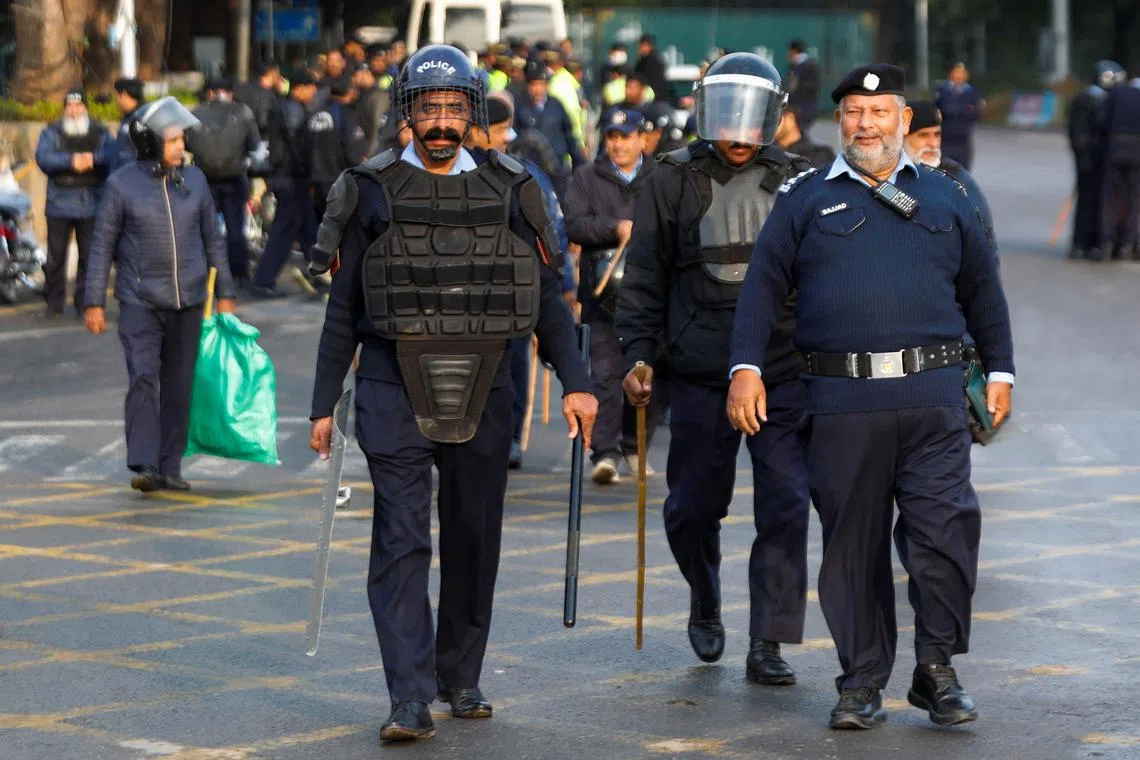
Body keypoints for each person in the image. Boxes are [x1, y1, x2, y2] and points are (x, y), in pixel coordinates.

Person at [307, 44, 597, 743]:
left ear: (473, 113)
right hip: (389, 385)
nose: (440, 122)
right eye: (428, 108)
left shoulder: (513, 186)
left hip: (488, 384)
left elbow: (547, 301)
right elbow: (342, 307)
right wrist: (322, 404)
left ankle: (458, 674)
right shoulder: (367, 189)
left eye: (453, 109)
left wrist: (577, 384)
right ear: (407, 113)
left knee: (473, 538)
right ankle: (408, 697)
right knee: (401, 542)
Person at [727, 63, 1014, 730]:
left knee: (944, 539)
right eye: (854, 112)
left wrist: (1001, 372)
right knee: (852, 548)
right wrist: (745, 367)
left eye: (879, 111)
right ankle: (860, 681)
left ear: (904, 121)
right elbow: (763, 288)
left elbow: (984, 292)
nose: (865, 124)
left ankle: (936, 669)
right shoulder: (803, 199)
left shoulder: (946, 199)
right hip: (841, 401)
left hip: (934, 401)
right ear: (841, 121)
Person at [614, 53, 814, 683]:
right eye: (726, 114)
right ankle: (705, 594)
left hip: (782, 370)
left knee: (786, 503)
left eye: (750, 115)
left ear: (773, 116)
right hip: (699, 369)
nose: (736, 132)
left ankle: (768, 639)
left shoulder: (799, 180)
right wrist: (638, 354)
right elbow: (643, 276)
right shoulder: (669, 178)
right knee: (692, 508)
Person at [84, 96, 237, 493]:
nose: (180, 146)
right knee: (144, 380)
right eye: (172, 140)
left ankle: (170, 466)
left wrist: (226, 294)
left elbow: (213, 239)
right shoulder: (121, 185)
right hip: (140, 302)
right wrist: (94, 301)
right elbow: (102, 245)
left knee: (179, 384)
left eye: (182, 139)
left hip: (188, 302)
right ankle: (145, 463)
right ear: (151, 142)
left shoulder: (196, 181)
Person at [465, 93, 576, 468]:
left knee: (513, 363)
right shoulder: (452, 173)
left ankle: (510, 436)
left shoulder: (524, 173)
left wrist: (564, 282)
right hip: (465, 299)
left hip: (514, 292)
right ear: (476, 132)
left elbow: (552, 228)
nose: (505, 137)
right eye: (497, 130)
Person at [565, 108, 660, 483]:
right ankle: (604, 453)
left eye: (626, 136)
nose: (619, 144)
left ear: (642, 139)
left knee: (647, 374)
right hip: (601, 292)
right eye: (613, 137)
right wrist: (613, 227)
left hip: (649, 292)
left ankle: (636, 447)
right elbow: (573, 223)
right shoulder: (586, 177)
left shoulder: (661, 175)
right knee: (604, 373)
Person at [33, 87, 113, 319]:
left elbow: (112, 154)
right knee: (56, 256)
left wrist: (92, 159)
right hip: (59, 202)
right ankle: (53, 304)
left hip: (91, 202)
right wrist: (70, 161)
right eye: (69, 106)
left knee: (89, 256)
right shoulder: (52, 131)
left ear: (85, 108)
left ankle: (85, 303)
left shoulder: (100, 131)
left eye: (78, 106)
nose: (74, 110)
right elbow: (43, 157)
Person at [250, 69, 320, 298]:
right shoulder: (293, 111)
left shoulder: (288, 107)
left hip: (288, 177)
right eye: (311, 88)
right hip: (292, 179)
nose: (314, 93)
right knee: (284, 231)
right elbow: (297, 149)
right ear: (301, 88)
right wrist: (310, 173)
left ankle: (321, 275)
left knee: (309, 229)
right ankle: (263, 280)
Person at [188, 78, 261, 287]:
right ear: (230, 93)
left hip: (205, 179)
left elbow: (188, 144)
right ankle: (239, 273)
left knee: (205, 228)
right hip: (235, 178)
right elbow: (254, 145)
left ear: (210, 92)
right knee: (235, 228)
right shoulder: (242, 112)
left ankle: (206, 272)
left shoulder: (196, 113)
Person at [904, 100, 994, 239]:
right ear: (902, 137)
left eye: (937, 134)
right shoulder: (885, 176)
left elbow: (983, 235)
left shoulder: (956, 176)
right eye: (923, 135)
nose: (933, 144)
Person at [1067, 61, 1124, 260]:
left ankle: (1082, 243)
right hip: (1093, 158)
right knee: (1094, 202)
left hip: (1087, 157)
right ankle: (1087, 243)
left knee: (1089, 202)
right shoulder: (1094, 99)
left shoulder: (1084, 97)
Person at [1098, 64, 1140, 261]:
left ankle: (1107, 242)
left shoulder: (1115, 94)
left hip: (1114, 148)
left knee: (1110, 199)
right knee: (1133, 200)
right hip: (1137, 152)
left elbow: (1101, 121)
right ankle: (1127, 244)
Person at [934, 62, 983, 170]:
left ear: (967, 75)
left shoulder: (973, 93)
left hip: (963, 138)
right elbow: (936, 111)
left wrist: (959, 111)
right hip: (945, 138)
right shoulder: (942, 91)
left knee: (962, 171)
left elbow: (977, 114)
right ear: (951, 74)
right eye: (956, 72)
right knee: (944, 170)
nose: (959, 75)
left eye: (962, 73)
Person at [774, 104, 835, 169]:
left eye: (774, 118)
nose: (767, 124)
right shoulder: (766, 152)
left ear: (790, 118)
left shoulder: (821, 156)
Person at [785, 40, 821, 129]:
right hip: (798, 107)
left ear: (793, 51)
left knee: (800, 132)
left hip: (804, 106)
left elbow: (813, 85)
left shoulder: (809, 66)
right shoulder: (795, 66)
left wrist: (797, 87)